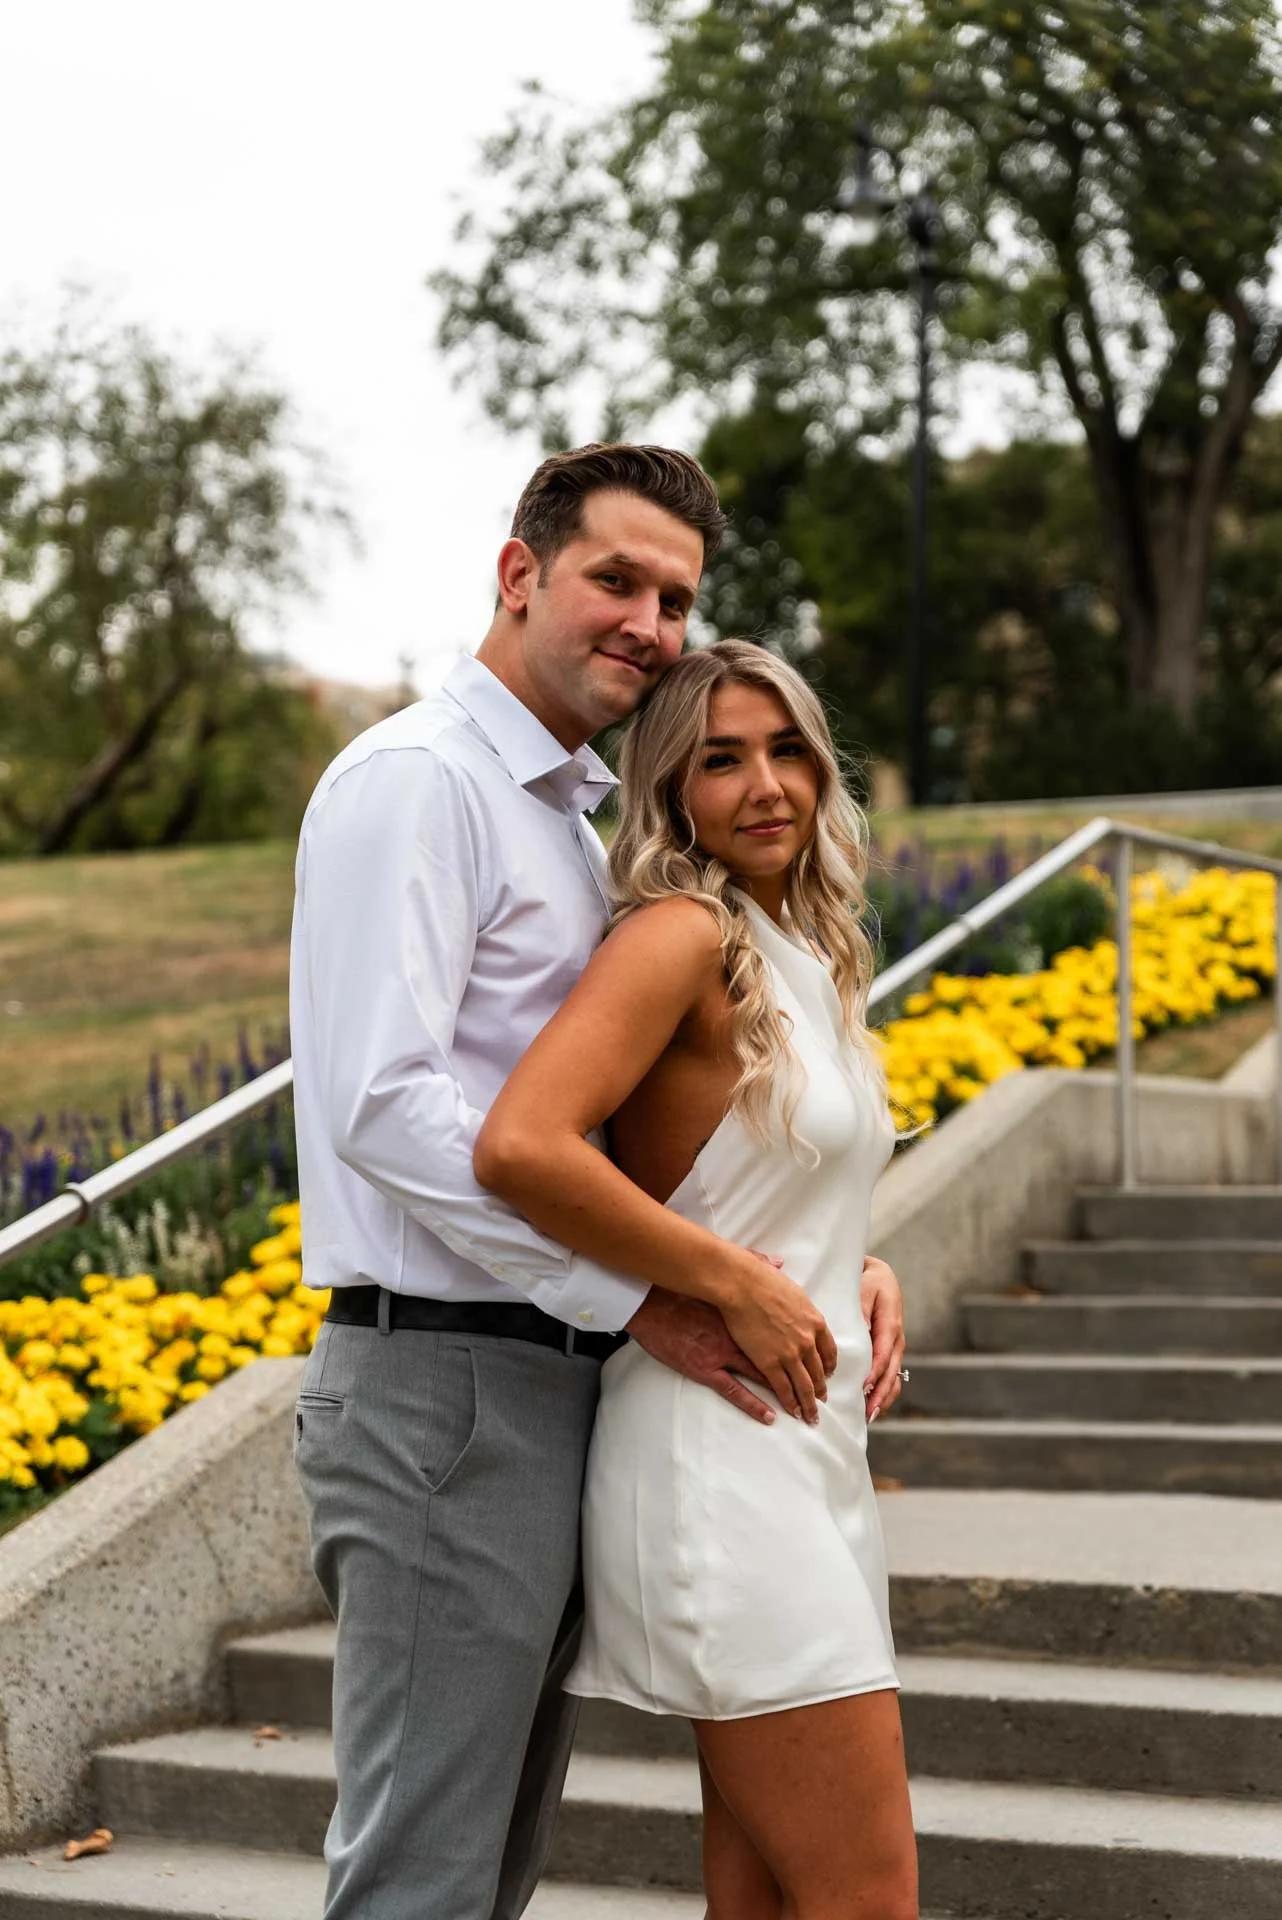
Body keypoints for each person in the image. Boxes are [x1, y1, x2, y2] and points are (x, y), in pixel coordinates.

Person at [289, 444, 908, 1920]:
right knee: (423, 1874)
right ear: (520, 574)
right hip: (446, 1384)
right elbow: (389, 1108)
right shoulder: (413, 784)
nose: (647, 619)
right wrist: (652, 1290)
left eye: (673, 595)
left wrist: (816, 1257)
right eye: (613, 579)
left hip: (560, 1381)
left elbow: (653, 1132)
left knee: (489, 1864)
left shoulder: (567, 826)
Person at [475, 639, 917, 1920]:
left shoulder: (805, 947)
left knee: (765, 1898)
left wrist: (857, 1264)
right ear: (666, 789)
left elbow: (762, 1177)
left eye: (787, 751)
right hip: (723, 1461)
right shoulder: (680, 936)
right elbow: (521, 1144)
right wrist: (733, 1282)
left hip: (806, 1444)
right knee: (866, 1897)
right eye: (720, 759)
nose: (766, 785)